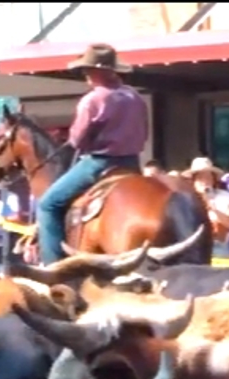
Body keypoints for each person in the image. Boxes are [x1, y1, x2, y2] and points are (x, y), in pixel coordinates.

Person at [35, 44, 148, 265]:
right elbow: (144, 133)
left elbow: (77, 140)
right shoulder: (135, 97)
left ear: (97, 71)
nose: (85, 75)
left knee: (48, 204)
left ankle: (53, 267)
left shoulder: (92, 100)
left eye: (86, 70)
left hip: (100, 164)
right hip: (132, 163)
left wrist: (80, 141)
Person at [188, 157, 229, 259]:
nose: (205, 181)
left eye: (208, 177)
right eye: (200, 177)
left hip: (218, 247)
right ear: (194, 180)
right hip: (193, 248)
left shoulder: (225, 197)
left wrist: (213, 208)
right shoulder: (187, 199)